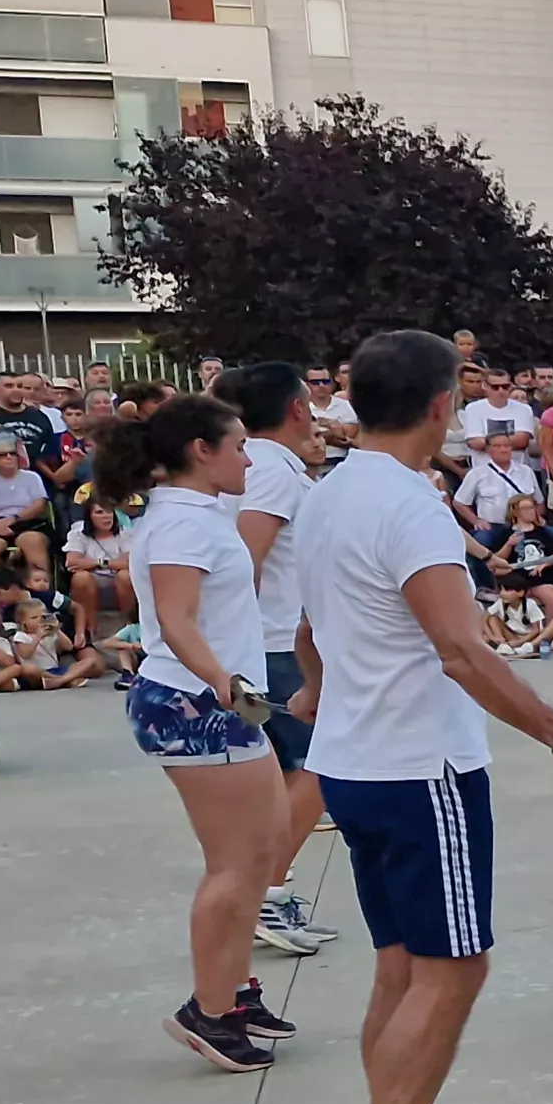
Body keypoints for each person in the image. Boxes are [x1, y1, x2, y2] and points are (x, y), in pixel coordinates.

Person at [288, 329, 553, 1104]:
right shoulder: (410, 505)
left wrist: (324, 691)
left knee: (402, 970)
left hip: (357, 764)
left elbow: (312, 631)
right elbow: (461, 648)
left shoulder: (329, 493)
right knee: (452, 970)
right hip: (416, 767)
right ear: (443, 406)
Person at [109, 396, 299, 1071]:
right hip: (196, 704)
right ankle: (210, 1011)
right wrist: (226, 682)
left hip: (210, 701)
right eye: (240, 444)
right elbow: (176, 619)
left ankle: (232, 988)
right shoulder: (185, 525)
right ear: (201, 449)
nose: (249, 457)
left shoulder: (192, 514)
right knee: (237, 862)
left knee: (266, 842)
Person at [216, 361, 341, 957]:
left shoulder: (267, 467)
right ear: (296, 408)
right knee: (323, 768)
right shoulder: (270, 470)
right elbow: (247, 557)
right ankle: (265, 890)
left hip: (277, 640)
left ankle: (274, 891)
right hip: (275, 642)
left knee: (295, 776)